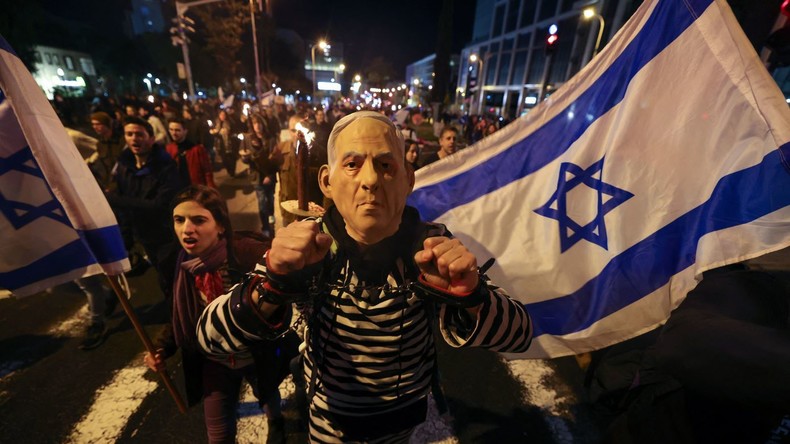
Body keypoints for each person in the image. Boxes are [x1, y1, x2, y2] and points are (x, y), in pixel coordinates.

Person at [196, 111, 533, 442]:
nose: (370, 180)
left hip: (403, 422)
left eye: (386, 165)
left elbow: (519, 336)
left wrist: (471, 295)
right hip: (330, 424)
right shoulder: (311, 245)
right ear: (327, 181)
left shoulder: (431, 247)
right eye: (352, 164)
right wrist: (273, 282)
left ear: (408, 180)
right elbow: (210, 339)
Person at [144, 185, 295, 444]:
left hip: (255, 352)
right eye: (179, 220)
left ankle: (275, 420)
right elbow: (179, 315)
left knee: (267, 390)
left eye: (198, 220)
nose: (186, 229)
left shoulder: (246, 255)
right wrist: (160, 349)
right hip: (213, 360)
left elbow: (282, 289)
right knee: (218, 433)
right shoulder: (175, 264)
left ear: (221, 226)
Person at [105, 116, 185, 298]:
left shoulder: (166, 167)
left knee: (173, 279)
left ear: (151, 138)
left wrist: (117, 200)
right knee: (163, 278)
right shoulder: (124, 166)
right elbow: (124, 206)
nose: (134, 139)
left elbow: (160, 205)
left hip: (166, 235)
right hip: (143, 235)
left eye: (139, 134)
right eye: (129, 134)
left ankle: (181, 318)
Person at [239, 113, 281, 237]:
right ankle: (265, 227)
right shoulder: (248, 139)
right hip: (257, 176)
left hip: (269, 175)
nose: (257, 126)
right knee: (262, 202)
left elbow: (275, 160)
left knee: (271, 198)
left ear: (263, 124)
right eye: (255, 123)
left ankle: (271, 215)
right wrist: (245, 158)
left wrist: (270, 175)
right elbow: (244, 156)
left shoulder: (270, 138)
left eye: (259, 123)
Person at [166, 117, 216, 188]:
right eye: (171, 130)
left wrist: (210, 188)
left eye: (177, 130)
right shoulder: (169, 149)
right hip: (178, 190)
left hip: (195, 188)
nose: (173, 133)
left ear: (185, 131)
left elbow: (207, 171)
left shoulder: (197, 149)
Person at [210, 109, 237, 177]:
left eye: (224, 115)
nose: (222, 116)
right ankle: (228, 170)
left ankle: (232, 172)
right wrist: (214, 132)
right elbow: (216, 133)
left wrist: (228, 133)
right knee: (224, 159)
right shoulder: (217, 123)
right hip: (221, 144)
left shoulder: (230, 122)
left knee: (231, 159)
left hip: (230, 143)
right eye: (221, 115)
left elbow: (234, 132)